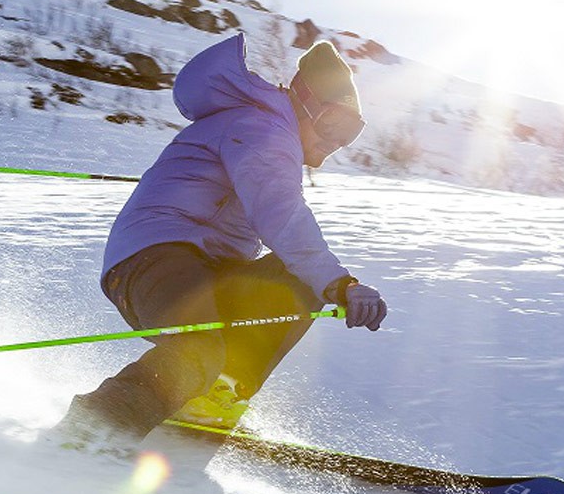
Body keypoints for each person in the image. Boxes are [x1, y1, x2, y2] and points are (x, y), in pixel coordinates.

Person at [52, 34, 389, 451]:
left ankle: (207, 405)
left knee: (294, 280)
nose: (334, 145)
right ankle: (91, 433)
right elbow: (279, 212)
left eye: (350, 134)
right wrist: (341, 283)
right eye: (334, 126)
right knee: (200, 345)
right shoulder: (263, 126)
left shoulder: (264, 128)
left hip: (204, 266)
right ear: (305, 104)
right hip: (154, 259)